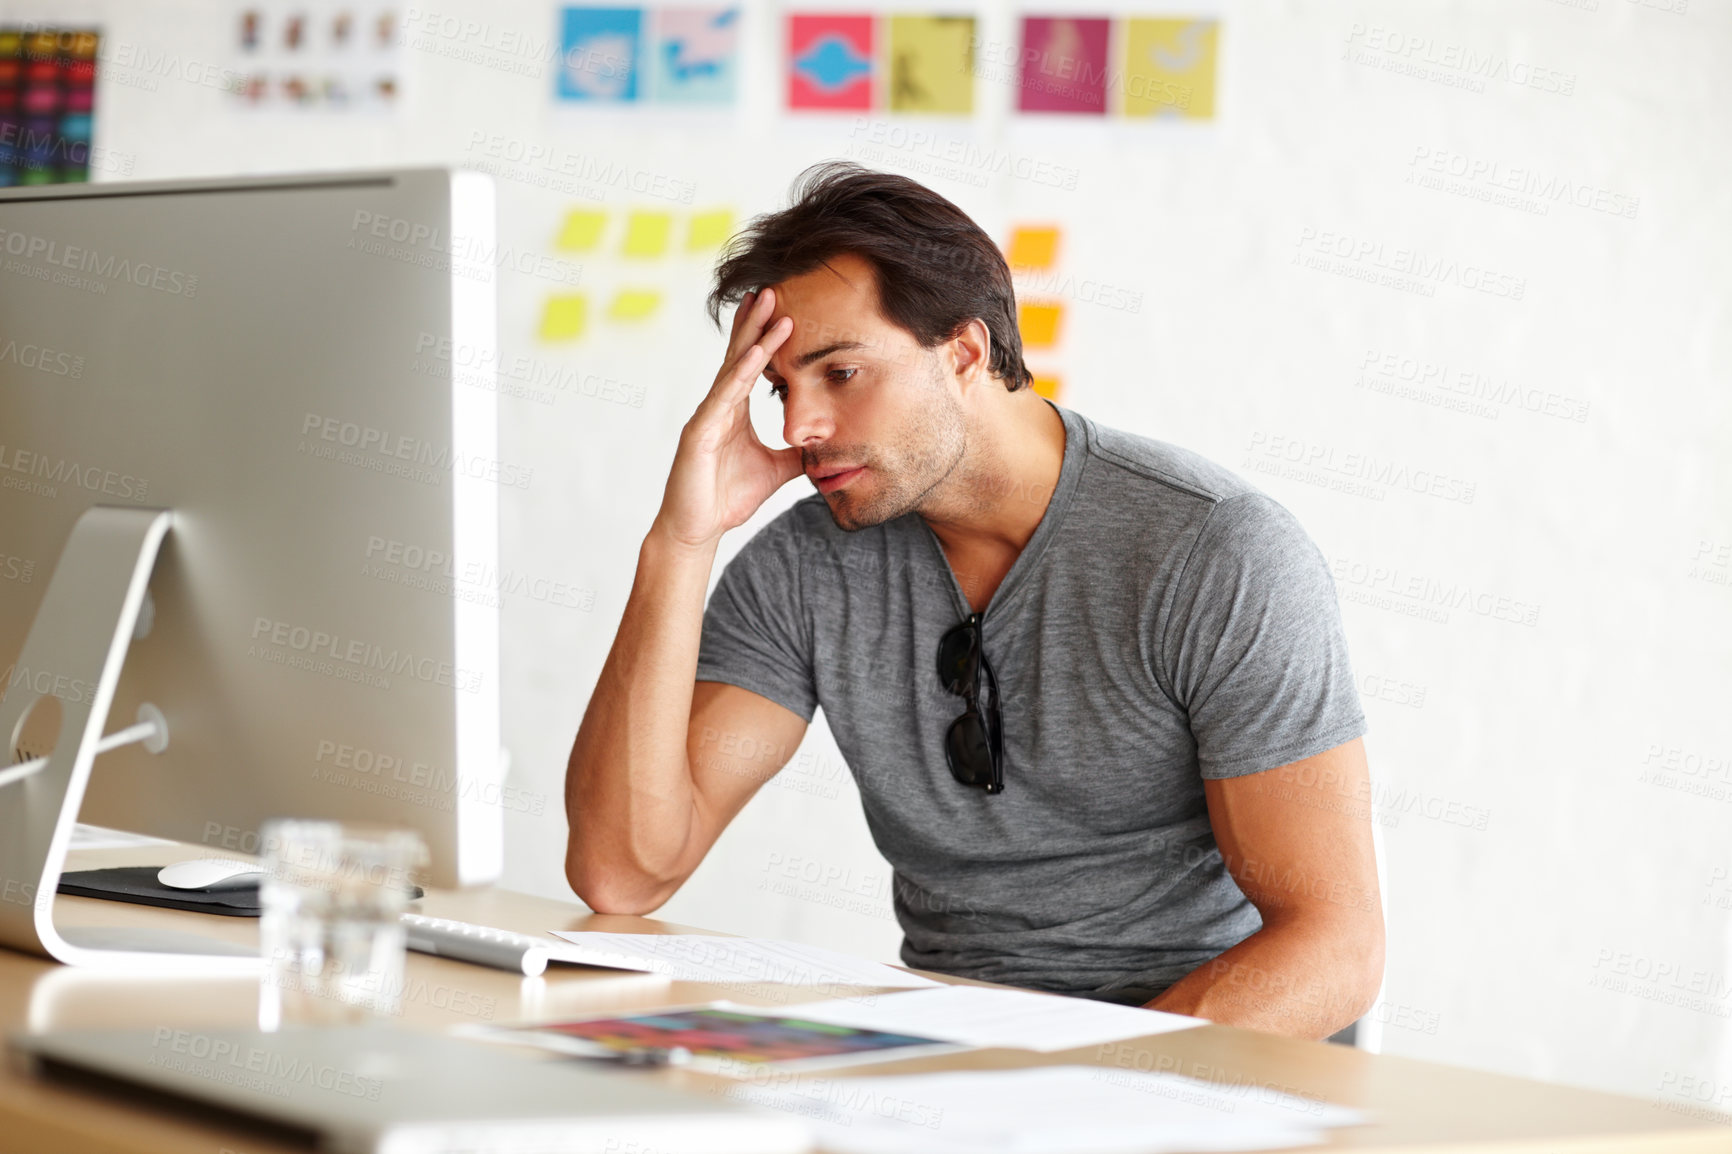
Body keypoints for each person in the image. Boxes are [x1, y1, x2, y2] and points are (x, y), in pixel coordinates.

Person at [565, 162, 1384, 1040]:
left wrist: (1075, 1099)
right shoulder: (806, 565)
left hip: (1200, 1063)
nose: (799, 427)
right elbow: (625, 873)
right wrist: (680, 543)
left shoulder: (1215, 552)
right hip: (950, 1065)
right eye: (780, 389)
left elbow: (1334, 947)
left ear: (964, 352)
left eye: (839, 373)